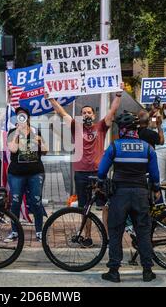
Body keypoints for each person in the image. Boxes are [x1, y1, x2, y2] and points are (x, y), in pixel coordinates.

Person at [48, 85, 122, 242]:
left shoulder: (101, 127)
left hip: (99, 173)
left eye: (89, 112)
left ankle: (107, 237)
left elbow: (112, 112)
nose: (87, 114)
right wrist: (51, 98)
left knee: (106, 206)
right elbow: (62, 113)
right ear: (81, 116)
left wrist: (118, 94)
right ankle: (87, 236)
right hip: (81, 173)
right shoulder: (76, 127)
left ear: (94, 115)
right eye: (84, 113)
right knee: (84, 208)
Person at [98, 111, 160, 283]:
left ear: (122, 129)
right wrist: (156, 188)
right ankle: (147, 271)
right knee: (143, 232)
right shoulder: (148, 148)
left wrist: (99, 183)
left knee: (116, 232)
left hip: (120, 195)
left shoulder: (115, 146)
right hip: (141, 194)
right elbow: (155, 175)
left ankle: (114, 271)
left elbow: (102, 171)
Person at [6, 107, 47, 243]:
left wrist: (39, 140)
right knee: (15, 202)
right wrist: (18, 132)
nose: (21, 118)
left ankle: (40, 231)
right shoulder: (12, 132)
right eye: (18, 116)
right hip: (16, 174)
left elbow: (46, 151)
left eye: (23, 115)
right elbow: (13, 149)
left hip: (35, 172)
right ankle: (14, 231)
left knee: (36, 202)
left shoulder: (35, 131)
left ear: (28, 118)